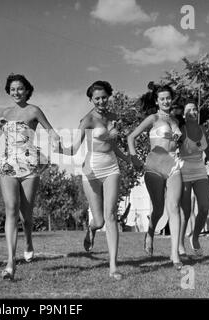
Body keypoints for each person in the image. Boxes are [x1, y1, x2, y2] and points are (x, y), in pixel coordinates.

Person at [0, 73, 61, 280]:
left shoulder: (34, 110)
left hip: (30, 166)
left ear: (27, 90)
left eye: (20, 88)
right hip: (8, 164)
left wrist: (57, 141)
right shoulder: (5, 112)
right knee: (11, 209)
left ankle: (28, 240)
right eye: (12, 89)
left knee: (26, 215)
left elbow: (51, 131)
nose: (16, 92)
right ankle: (10, 262)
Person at [56, 80, 133, 280]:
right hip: (91, 171)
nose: (101, 101)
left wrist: (130, 159)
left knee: (111, 216)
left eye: (104, 97)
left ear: (109, 96)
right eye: (96, 98)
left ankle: (113, 266)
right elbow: (74, 148)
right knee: (99, 221)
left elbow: (114, 146)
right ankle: (91, 228)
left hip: (111, 168)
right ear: (91, 99)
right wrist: (58, 148)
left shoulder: (114, 117)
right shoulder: (87, 120)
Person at [127, 84, 183, 269]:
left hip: (174, 165)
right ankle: (150, 232)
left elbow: (179, 144)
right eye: (162, 98)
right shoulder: (153, 118)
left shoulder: (176, 120)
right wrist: (134, 158)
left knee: (174, 207)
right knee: (158, 209)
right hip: (155, 166)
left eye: (168, 98)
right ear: (157, 101)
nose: (166, 101)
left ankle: (174, 254)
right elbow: (131, 137)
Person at [178, 100, 209, 257]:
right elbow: (172, 146)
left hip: (200, 171)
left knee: (204, 208)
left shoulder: (202, 129)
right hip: (184, 172)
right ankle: (180, 244)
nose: (193, 112)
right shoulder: (182, 130)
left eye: (195, 109)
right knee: (186, 212)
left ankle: (195, 237)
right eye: (189, 110)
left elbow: (206, 149)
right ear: (184, 115)